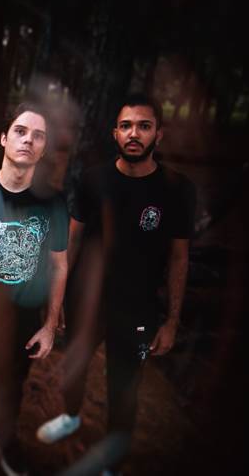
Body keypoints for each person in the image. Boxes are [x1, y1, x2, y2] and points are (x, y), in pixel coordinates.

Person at [36, 94, 196, 470]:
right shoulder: (94, 179)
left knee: (125, 387)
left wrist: (172, 321)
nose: (133, 134)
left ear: (159, 134)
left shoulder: (177, 188)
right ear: (115, 134)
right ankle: (70, 416)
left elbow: (179, 257)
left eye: (144, 126)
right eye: (126, 126)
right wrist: (57, 301)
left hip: (138, 308)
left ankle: (112, 458)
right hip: (86, 300)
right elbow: (72, 240)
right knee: (73, 367)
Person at [0, 103, 68, 475]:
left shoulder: (52, 202)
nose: (28, 140)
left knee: (12, 383)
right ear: (4, 138)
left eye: (38, 136)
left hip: (22, 312)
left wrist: (50, 325)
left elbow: (59, 265)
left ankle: (2, 440)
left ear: (44, 148)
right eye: (20, 131)